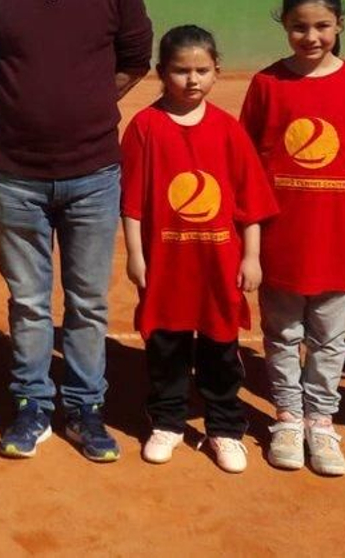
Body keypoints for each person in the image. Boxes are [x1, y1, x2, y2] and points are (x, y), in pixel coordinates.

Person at [0, 0, 151, 461]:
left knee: (87, 301)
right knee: (28, 300)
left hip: (94, 172)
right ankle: (31, 404)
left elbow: (134, 58)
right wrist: (30, 103)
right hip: (17, 171)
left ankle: (84, 407)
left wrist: (95, 104)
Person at [240, 0, 345, 476]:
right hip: (280, 239)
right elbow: (246, 164)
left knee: (330, 337)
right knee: (283, 332)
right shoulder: (267, 85)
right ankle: (287, 416)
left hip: (338, 238)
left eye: (322, 26)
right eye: (298, 27)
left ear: (340, 25)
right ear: (284, 26)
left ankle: (322, 420)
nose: (311, 37)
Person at [120, 25, 276, 474]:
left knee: (220, 349)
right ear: (160, 73)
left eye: (202, 71)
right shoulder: (145, 128)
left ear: (217, 72)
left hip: (219, 265)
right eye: (181, 71)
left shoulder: (228, 130)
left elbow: (250, 202)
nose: (192, 80)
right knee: (166, 347)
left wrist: (251, 256)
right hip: (166, 264)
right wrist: (136, 254)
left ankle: (224, 428)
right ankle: (167, 421)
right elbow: (132, 202)